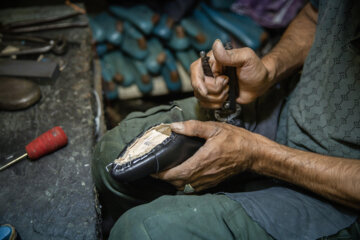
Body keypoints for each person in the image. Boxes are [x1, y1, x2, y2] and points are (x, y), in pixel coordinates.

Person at [92, 0, 360, 239]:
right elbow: (316, 15)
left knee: (144, 232)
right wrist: (269, 70)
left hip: (340, 190)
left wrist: (257, 156)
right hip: (290, 108)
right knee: (111, 157)